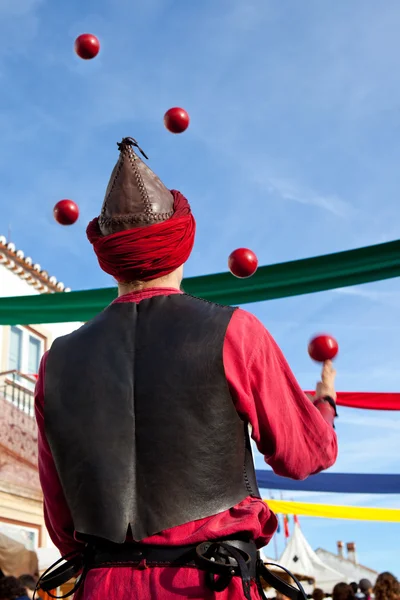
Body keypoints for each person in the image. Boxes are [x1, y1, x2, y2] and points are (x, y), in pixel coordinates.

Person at [35, 137, 338, 600]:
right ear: (182, 242)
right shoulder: (236, 331)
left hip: (103, 584)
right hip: (210, 584)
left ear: (107, 257)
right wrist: (326, 403)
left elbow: (61, 518)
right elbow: (304, 454)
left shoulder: (55, 361)